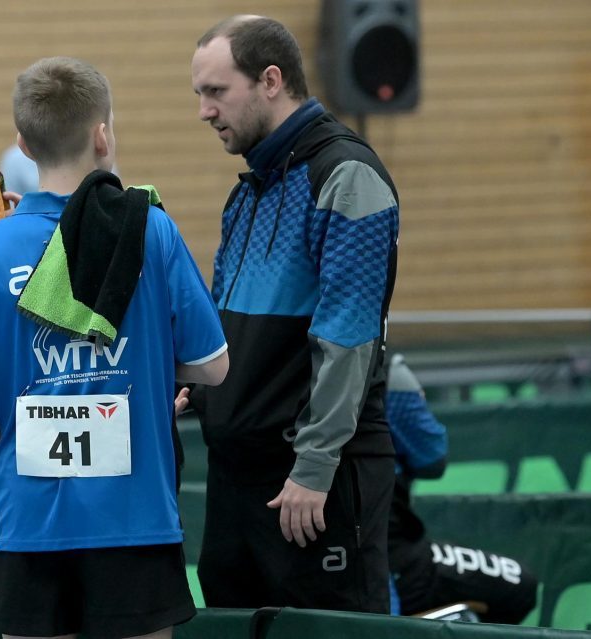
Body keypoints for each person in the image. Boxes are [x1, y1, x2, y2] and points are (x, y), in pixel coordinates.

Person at [0, 56, 229, 639]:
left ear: (23, 143)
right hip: (136, 521)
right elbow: (212, 365)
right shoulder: (150, 229)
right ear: (102, 135)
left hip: (28, 526)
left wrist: (16, 392)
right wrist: (141, 377)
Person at [188, 15, 399, 612]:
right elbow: (236, 326)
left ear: (271, 80)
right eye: (198, 94)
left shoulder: (346, 175)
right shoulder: (250, 189)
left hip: (310, 481)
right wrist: (199, 390)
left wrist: (314, 465)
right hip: (237, 482)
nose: (204, 111)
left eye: (216, 92)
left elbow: (348, 334)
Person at [386, 354, 538, 623]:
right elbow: (433, 457)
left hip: (326, 563)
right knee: (519, 585)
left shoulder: (289, 371)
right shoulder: (388, 376)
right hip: (391, 560)